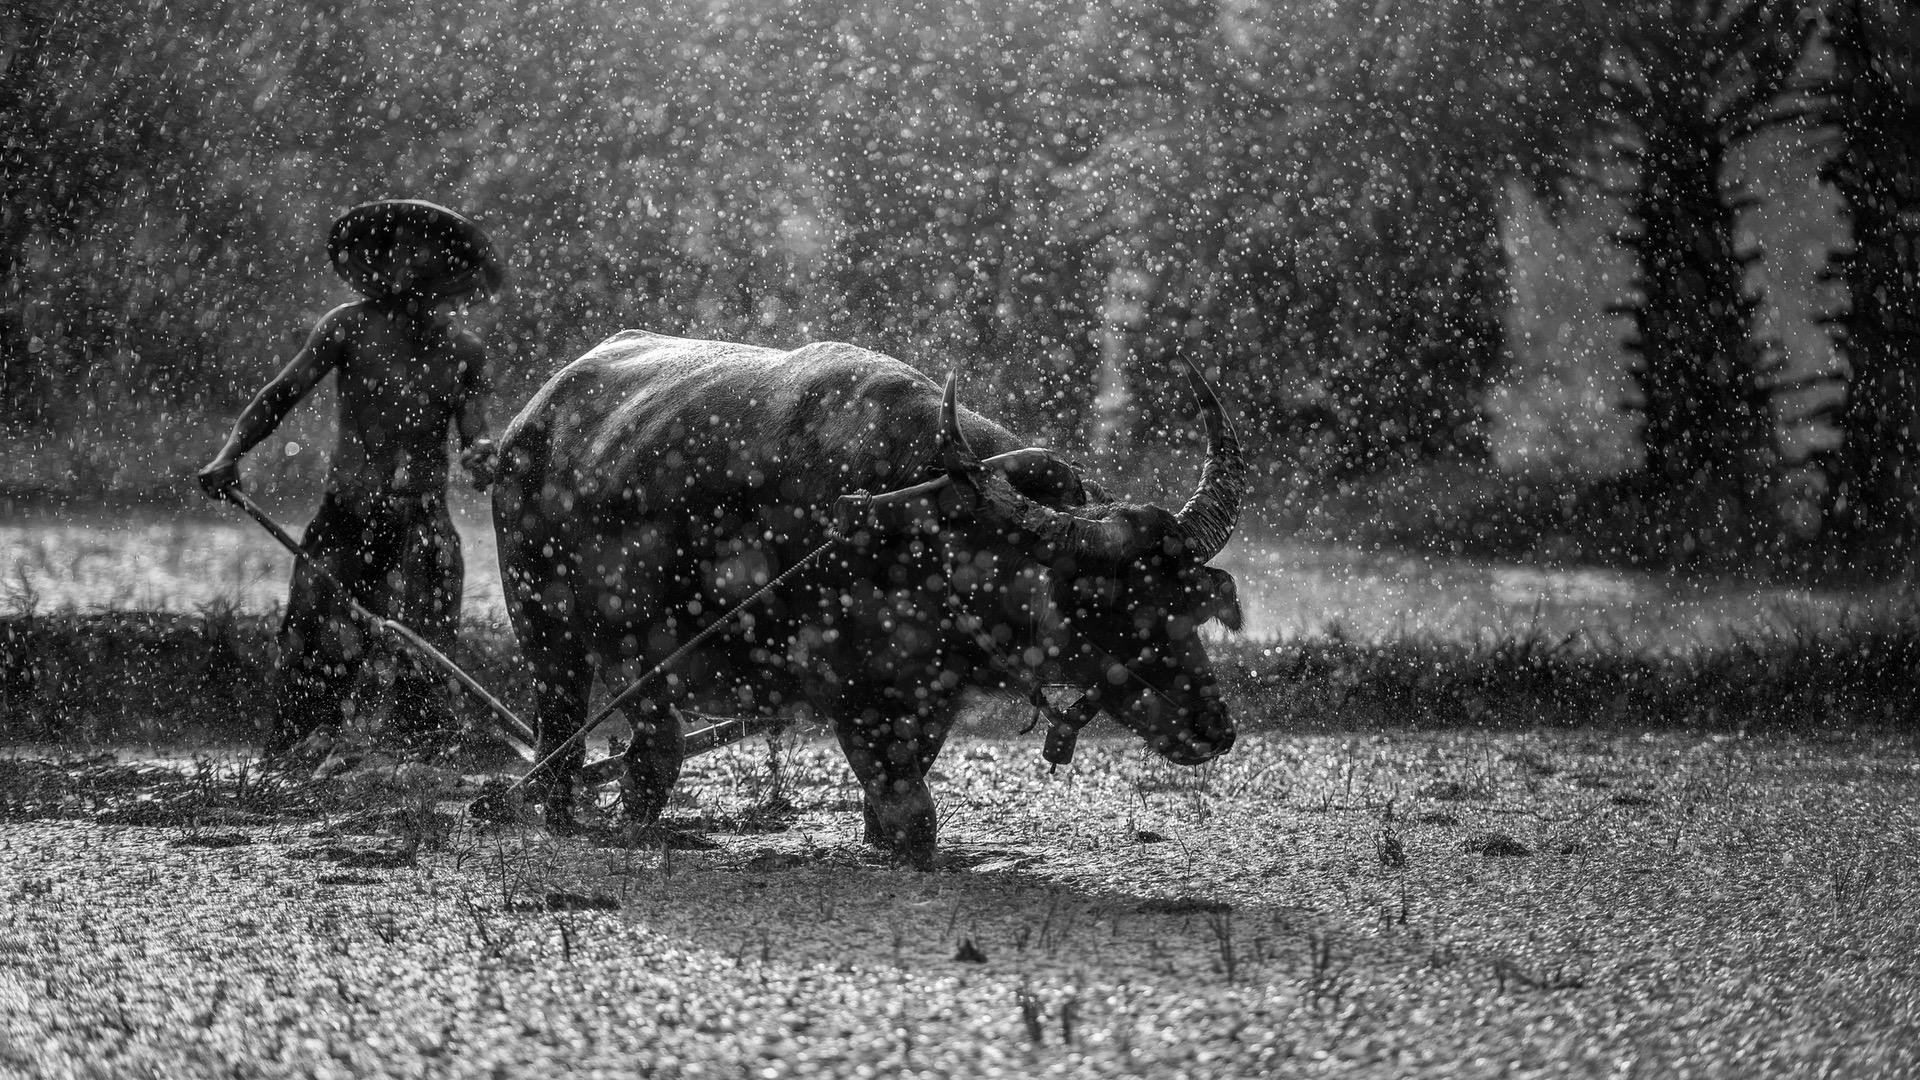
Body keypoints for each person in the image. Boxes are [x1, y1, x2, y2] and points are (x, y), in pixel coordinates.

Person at [197, 200, 505, 761]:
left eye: (423, 255)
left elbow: (476, 439)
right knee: (314, 651)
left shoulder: (464, 351)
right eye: (401, 252)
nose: (410, 266)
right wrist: (229, 454)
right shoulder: (348, 327)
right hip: (347, 520)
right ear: (383, 262)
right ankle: (294, 761)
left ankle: (413, 767)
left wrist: (486, 460)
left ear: (446, 272)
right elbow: (280, 396)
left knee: (426, 663)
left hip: (423, 529)